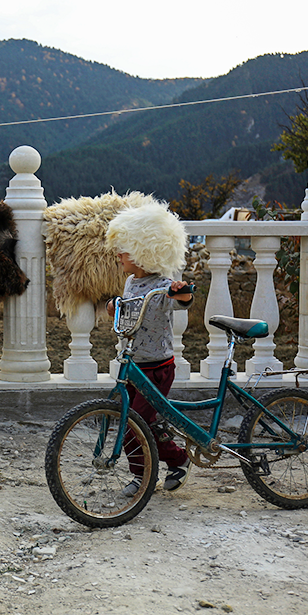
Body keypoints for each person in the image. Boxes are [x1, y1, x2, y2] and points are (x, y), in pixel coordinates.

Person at [104, 201, 193, 495]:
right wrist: (114, 307)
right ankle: (157, 468)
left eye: (125, 249)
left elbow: (180, 301)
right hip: (135, 364)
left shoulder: (164, 284)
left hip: (157, 368)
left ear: (145, 253)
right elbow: (129, 309)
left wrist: (182, 294)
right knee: (137, 422)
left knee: (138, 423)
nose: (119, 254)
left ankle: (165, 466)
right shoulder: (131, 281)